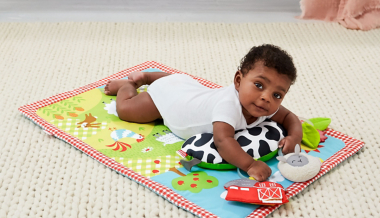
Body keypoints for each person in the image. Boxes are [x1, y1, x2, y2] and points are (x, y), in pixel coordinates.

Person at [104, 44, 302, 181]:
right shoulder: (228, 106)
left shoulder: (262, 106)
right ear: (238, 81)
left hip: (186, 88)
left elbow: (289, 117)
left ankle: (148, 76)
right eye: (259, 85)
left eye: (277, 94)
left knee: (180, 83)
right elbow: (223, 142)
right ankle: (128, 85)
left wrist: (294, 137)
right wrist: (250, 165)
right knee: (127, 110)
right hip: (169, 103)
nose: (267, 97)